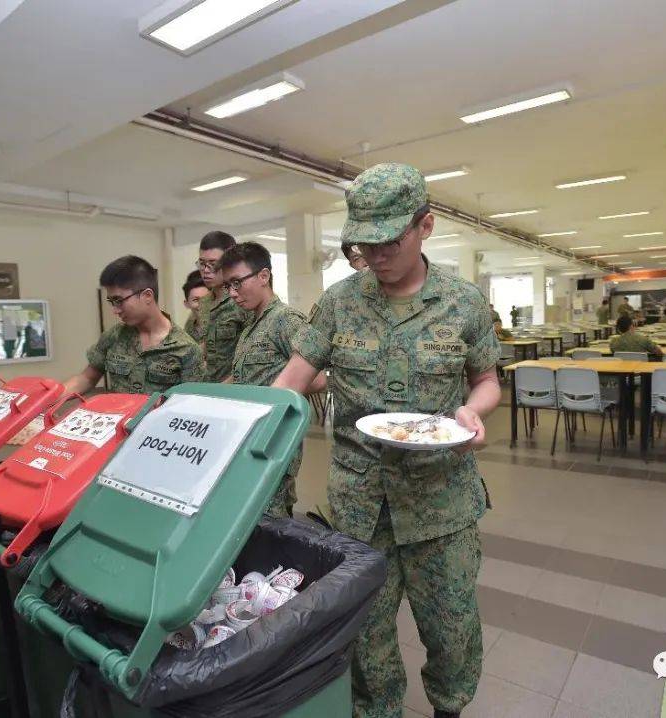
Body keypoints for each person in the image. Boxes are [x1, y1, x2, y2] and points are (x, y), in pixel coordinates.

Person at [271, 163, 500, 718]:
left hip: (441, 501)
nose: (373, 257)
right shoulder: (339, 303)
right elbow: (292, 380)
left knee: (451, 627)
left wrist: (472, 411)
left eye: (387, 242)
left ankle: (449, 705)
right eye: (361, 245)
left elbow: (487, 379)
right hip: (359, 504)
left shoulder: (463, 303)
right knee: (365, 636)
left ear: (426, 225)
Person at [221, 242, 318, 519]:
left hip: (273, 440)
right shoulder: (252, 325)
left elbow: (319, 379)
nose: (232, 293)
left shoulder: (286, 320)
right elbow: (244, 378)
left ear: (263, 276)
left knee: (270, 518)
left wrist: (272, 394)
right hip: (247, 435)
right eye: (228, 285)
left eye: (238, 283)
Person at [63, 255, 203, 396]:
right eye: (112, 301)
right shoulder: (114, 335)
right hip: (118, 416)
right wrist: (48, 399)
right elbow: (87, 378)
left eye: (119, 300)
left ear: (147, 296)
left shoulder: (186, 349)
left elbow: (188, 404)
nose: (115, 310)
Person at [196, 231, 254, 382]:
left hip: (237, 389)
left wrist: (225, 388)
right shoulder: (204, 303)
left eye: (213, 264)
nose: (206, 270)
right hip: (210, 386)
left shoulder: (243, 301)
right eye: (202, 264)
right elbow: (204, 346)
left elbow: (254, 355)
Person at [181, 270, 209, 343]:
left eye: (206, 298)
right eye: (196, 300)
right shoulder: (189, 328)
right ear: (187, 304)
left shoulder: (224, 320)